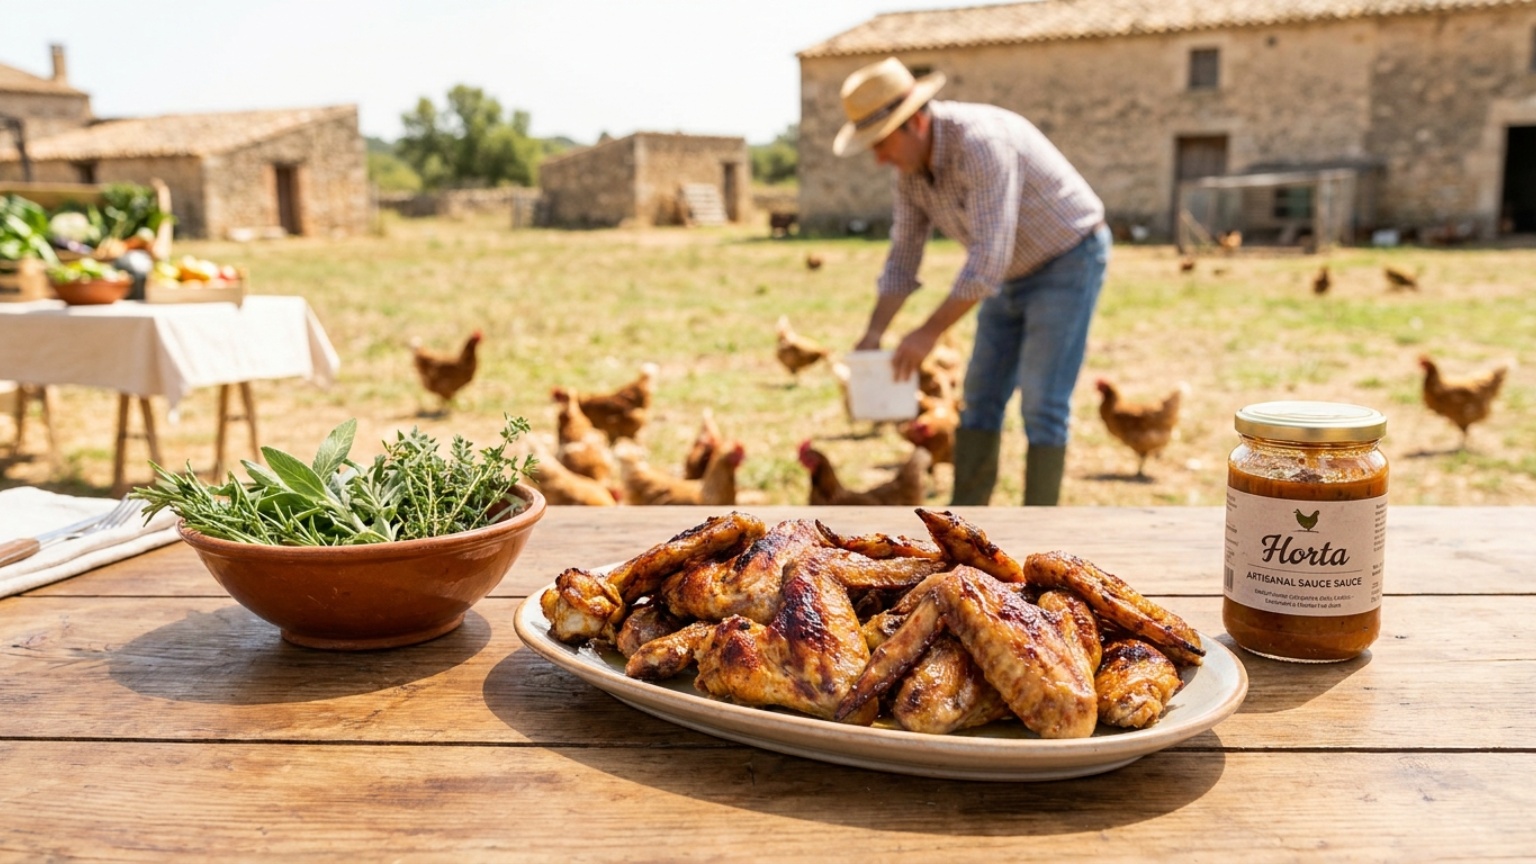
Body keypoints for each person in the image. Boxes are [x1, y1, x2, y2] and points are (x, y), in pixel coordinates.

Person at [836, 57, 1111, 506]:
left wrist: (928, 332)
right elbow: (903, 257)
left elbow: (987, 260)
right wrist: (873, 332)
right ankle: (966, 531)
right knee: (979, 397)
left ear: (916, 122)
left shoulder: (982, 144)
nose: (878, 157)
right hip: (1006, 274)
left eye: (881, 142)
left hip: (1069, 258)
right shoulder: (909, 175)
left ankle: (1041, 533)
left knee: (1042, 403)